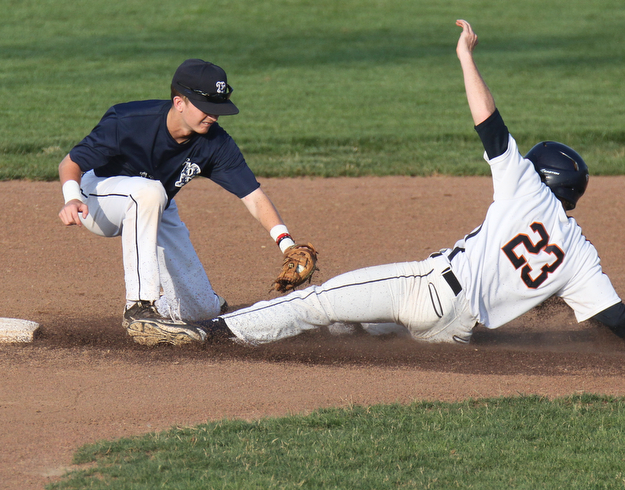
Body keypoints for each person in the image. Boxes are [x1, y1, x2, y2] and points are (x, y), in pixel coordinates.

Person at [128, 20, 625, 347]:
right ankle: (318, 334)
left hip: (427, 291)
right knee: (357, 323)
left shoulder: (527, 189)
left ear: (544, 179)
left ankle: (213, 333)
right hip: (456, 333)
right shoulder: (581, 255)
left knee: (315, 300)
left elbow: (490, 126)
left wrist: (466, 58)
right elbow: (615, 320)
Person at [58, 59, 310, 345]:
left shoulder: (215, 143)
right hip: (97, 199)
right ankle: (139, 307)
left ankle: (167, 313)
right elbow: (71, 162)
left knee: (202, 309)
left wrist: (286, 243)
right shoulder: (128, 120)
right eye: (207, 108)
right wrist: (72, 199)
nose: (214, 117)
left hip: (154, 204)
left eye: (219, 108)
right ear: (179, 102)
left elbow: (252, 196)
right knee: (150, 192)